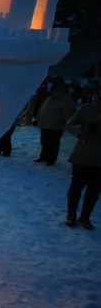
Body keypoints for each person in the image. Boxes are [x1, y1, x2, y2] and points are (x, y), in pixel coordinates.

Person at [65, 86, 101, 229]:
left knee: (94, 189)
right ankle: (71, 214)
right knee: (76, 186)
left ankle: (85, 216)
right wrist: (84, 128)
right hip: (83, 153)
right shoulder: (86, 108)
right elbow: (70, 126)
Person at [35, 79, 76, 166]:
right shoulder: (48, 99)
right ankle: (43, 156)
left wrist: (61, 119)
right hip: (45, 124)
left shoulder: (66, 100)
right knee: (44, 141)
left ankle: (51, 159)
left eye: (57, 90)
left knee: (53, 143)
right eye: (54, 90)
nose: (55, 92)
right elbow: (41, 109)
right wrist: (38, 118)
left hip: (56, 126)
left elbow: (69, 113)